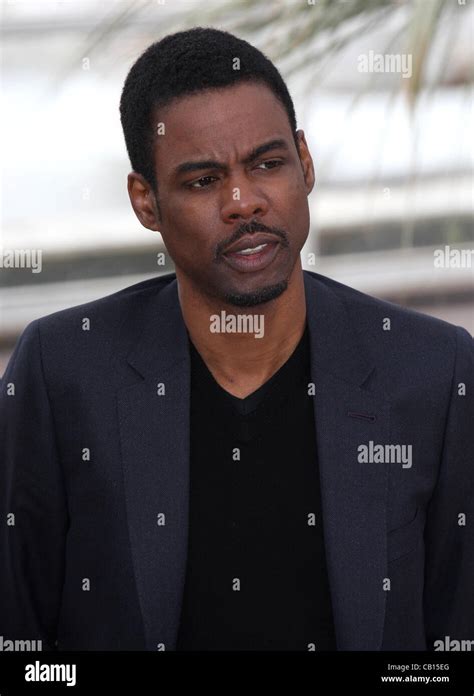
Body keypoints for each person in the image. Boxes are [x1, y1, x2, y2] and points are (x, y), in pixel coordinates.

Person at [1, 27, 473, 652]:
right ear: (146, 202)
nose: (243, 202)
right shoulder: (63, 372)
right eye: (202, 181)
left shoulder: (432, 372)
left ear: (305, 163)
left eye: (267, 164)